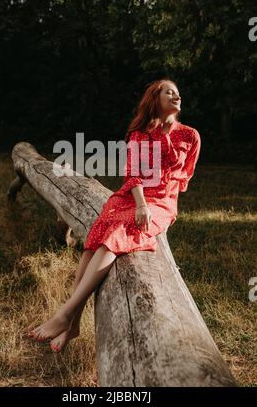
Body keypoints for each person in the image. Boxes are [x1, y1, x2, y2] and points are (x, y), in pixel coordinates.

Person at [28, 79, 201, 353]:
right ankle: (72, 323)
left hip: (163, 203)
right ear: (155, 99)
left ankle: (66, 314)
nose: (176, 96)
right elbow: (133, 174)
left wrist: (156, 198)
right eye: (169, 92)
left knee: (115, 235)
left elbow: (184, 178)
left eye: (178, 92)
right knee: (94, 240)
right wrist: (141, 203)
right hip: (133, 197)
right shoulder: (140, 134)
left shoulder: (190, 135)